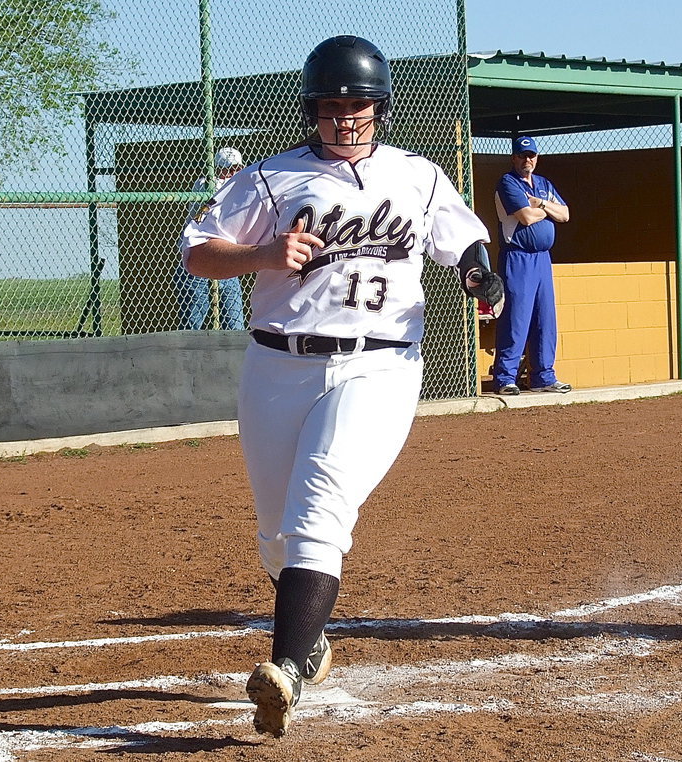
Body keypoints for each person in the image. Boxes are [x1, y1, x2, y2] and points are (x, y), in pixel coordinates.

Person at [181, 35, 502, 737]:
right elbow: (197, 249)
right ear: (311, 109)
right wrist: (263, 253)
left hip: (379, 365)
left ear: (379, 108)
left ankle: (285, 669)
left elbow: (465, 243)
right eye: (330, 104)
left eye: (356, 103)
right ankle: (313, 644)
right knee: (277, 536)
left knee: (320, 500)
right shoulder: (267, 178)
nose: (343, 117)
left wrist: (481, 275)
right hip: (276, 367)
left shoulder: (416, 175)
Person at [490, 135, 572, 395]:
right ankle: (505, 378)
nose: (528, 160)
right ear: (514, 157)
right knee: (516, 318)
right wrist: (546, 210)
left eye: (532, 156)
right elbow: (525, 217)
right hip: (518, 256)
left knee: (545, 319)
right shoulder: (508, 182)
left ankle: (543, 376)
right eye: (522, 155)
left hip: (542, 258)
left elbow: (566, 214)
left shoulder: (543, 184)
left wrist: (542, 204)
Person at [173, 146, 246, 330]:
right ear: (217, 168)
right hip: (200, 255)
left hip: (227, 257)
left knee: (234, 322)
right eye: (228, 169)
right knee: (193, 321)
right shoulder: (206, 183)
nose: (233, 173)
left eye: (237, 168)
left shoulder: (241, 184)